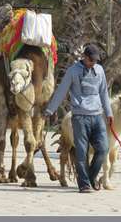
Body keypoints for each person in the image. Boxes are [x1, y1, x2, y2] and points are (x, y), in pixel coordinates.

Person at [42, 44, 114, 193]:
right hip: (80, 117)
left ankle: (92, 176)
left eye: (96, 60)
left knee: (103, 149)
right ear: (84, 56)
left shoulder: (99, 70)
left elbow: (103, 94)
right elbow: (61, 92)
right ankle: (84, 184)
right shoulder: (72, 71)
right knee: (82, 151)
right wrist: (49, 110)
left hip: (97, 116)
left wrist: (108, 113)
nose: (93, 63)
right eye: (91, 60)